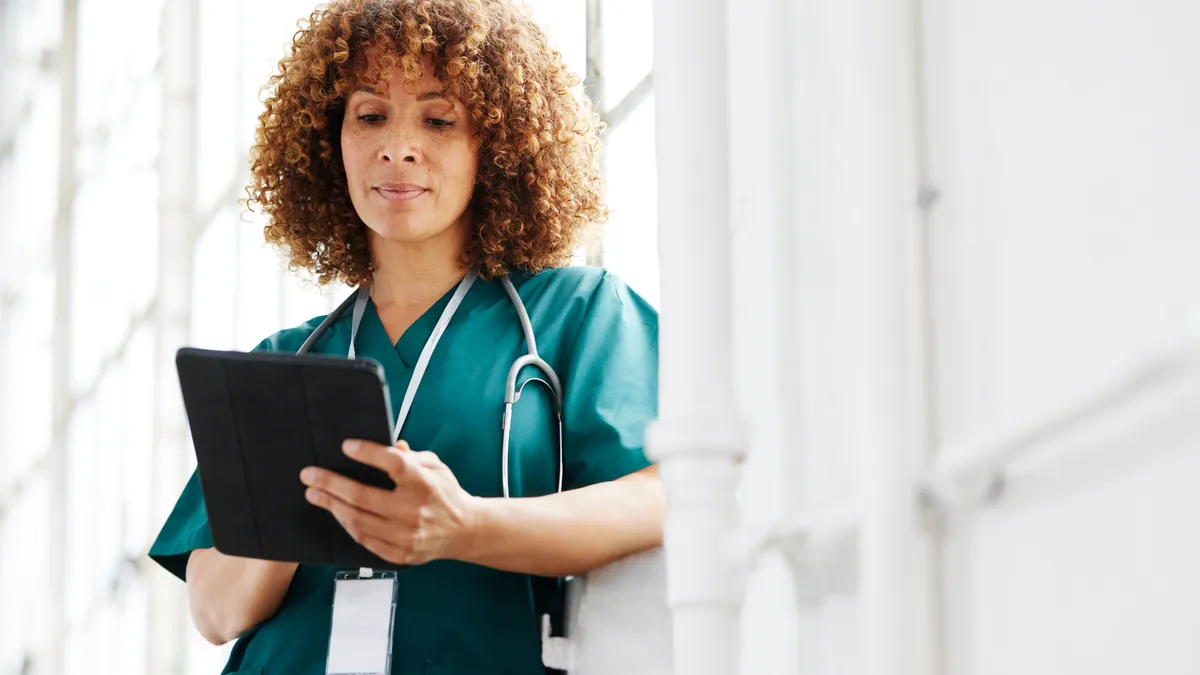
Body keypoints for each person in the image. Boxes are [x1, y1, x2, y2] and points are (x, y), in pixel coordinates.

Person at [147, 1, 663, 673]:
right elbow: (217, 612)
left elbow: (664, 495)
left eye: (438, 118)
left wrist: (465, 526)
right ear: (329, 140)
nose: (397, 146)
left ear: (497, 143)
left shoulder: (578, 314)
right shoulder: (285, 362)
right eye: (369, 115)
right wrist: (304, 499)